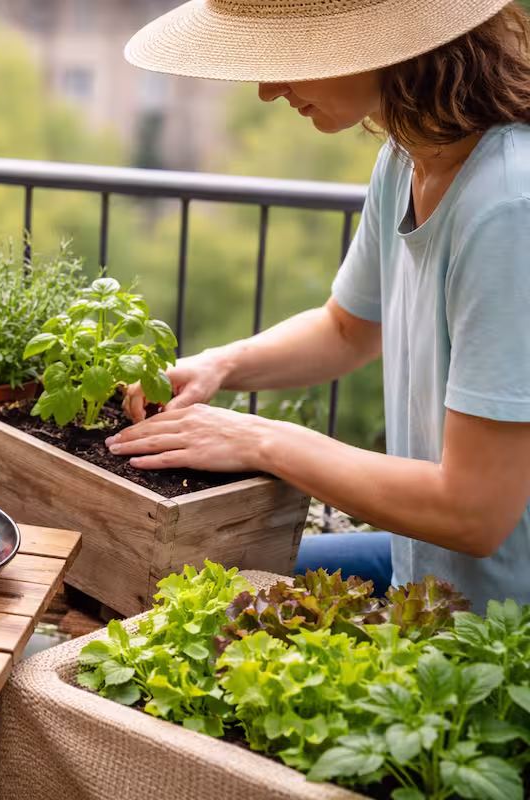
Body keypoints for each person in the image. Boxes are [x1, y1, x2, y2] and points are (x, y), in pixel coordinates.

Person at [110, 0, 530, 608]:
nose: (266, 88)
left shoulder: (506, 206)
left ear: (381, 43)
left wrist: (261, 441)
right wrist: (219, 366)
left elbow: (474, 512)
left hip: (504, 628)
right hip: (428, 569)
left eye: (287, 56)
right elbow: (347, 329)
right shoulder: (408, 156)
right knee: (184, 577)